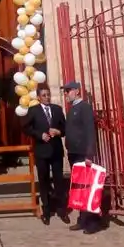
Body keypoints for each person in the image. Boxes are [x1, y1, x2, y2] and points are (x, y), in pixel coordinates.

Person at [23, 85, 68, 226]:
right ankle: (46, 211)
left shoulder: (57, 109)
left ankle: (62, 210)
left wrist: (59, 132)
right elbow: (25, 127)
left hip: (56, 151)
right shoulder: (33, 111)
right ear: (38, 97)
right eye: (44, 95)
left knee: (59, 181)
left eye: (48, 94)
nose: (47, 97)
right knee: (43, 182)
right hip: (42, 151)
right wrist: (39, 135)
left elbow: (65, 128)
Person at [61, 81, 100, 234]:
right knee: (79, 190)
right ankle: (82, 220)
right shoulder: (72, 109)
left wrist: (89, 154)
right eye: (65, 91)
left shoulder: (84, 107)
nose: (66, 94)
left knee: (87, 189)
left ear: (76, 91)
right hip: (73, 153)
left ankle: (93, 223)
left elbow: (90, 131)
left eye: (68, 91)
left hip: (83, 153)